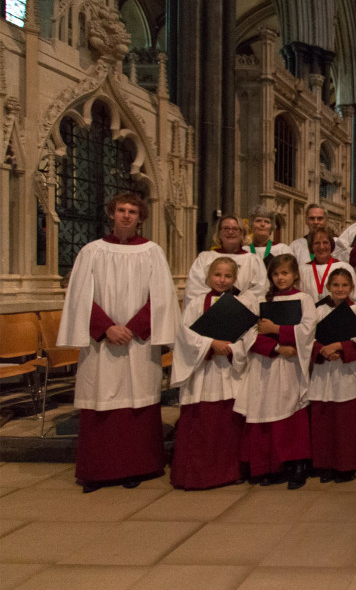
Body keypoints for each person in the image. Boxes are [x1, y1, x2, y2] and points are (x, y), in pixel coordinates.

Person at [57, 193, 180, 492]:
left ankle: (137, 467)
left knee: (138, 401)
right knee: (100, 401)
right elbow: (79, 296)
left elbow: (162, 298)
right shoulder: (91, 251)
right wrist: (107, 328)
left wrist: (134, 328)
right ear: (111, 214)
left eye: (133, 211)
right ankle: (97, 471)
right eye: (121, 210)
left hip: (138, 342)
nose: (126, 215)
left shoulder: (152, 252)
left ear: (141, 217)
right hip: (101, 343)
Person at [170, 257, 257, 490]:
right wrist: (210, 344)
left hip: (229, 368)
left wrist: (232, 348)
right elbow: (184, 334)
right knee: (202, 425)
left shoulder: (241, 304)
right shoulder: (196, 303)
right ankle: (196, 475)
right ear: (209, 277)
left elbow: (250, 335)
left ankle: (229, 472)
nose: (222, 280)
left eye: (228, 276)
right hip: (203, 371)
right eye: (218, 275)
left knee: (228, 425)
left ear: (235, 279)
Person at [236, 254, 316, 489]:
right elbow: (249, 333)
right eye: (276, 274)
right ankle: (268, 466)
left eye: (285, 273)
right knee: (264, 409)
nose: (280, 278)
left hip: (291, 364)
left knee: (292, 412)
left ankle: (296, 466)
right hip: (266, 362)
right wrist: (276, 346)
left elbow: (308, 329)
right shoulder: (260, 300)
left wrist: (277, 329)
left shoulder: (303, 299)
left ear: (295, 275)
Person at [309, 267, 356, 483]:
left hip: (346, 373)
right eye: (335, 285)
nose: (340, 289)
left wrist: (340, 347)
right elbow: (305, 339)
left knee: (346, 424)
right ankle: (324, 465)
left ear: (352, 288)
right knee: (323, 421)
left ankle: (345, 466)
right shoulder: (318, 311)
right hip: (323, 371)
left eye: (345, 285)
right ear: (328, 287)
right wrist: (321, 350)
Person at [183, 215, 267, 310]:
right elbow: (195, 287)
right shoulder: (205, 258)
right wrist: (216, 303)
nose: (230, 232)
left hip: (241, 312)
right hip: (209, 311)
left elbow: (259, 291)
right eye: (226, 228)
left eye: (235, 229)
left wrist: (235, 304)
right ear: (219, 233)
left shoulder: (253, 260)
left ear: (243, 233)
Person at [299, 228, 356, 306]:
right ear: (311, 246)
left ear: (331, 245)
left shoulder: (345, 268)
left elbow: (355, 300)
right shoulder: (302, 270)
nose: (321, 247)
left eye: (325, 242)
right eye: (317, 243)